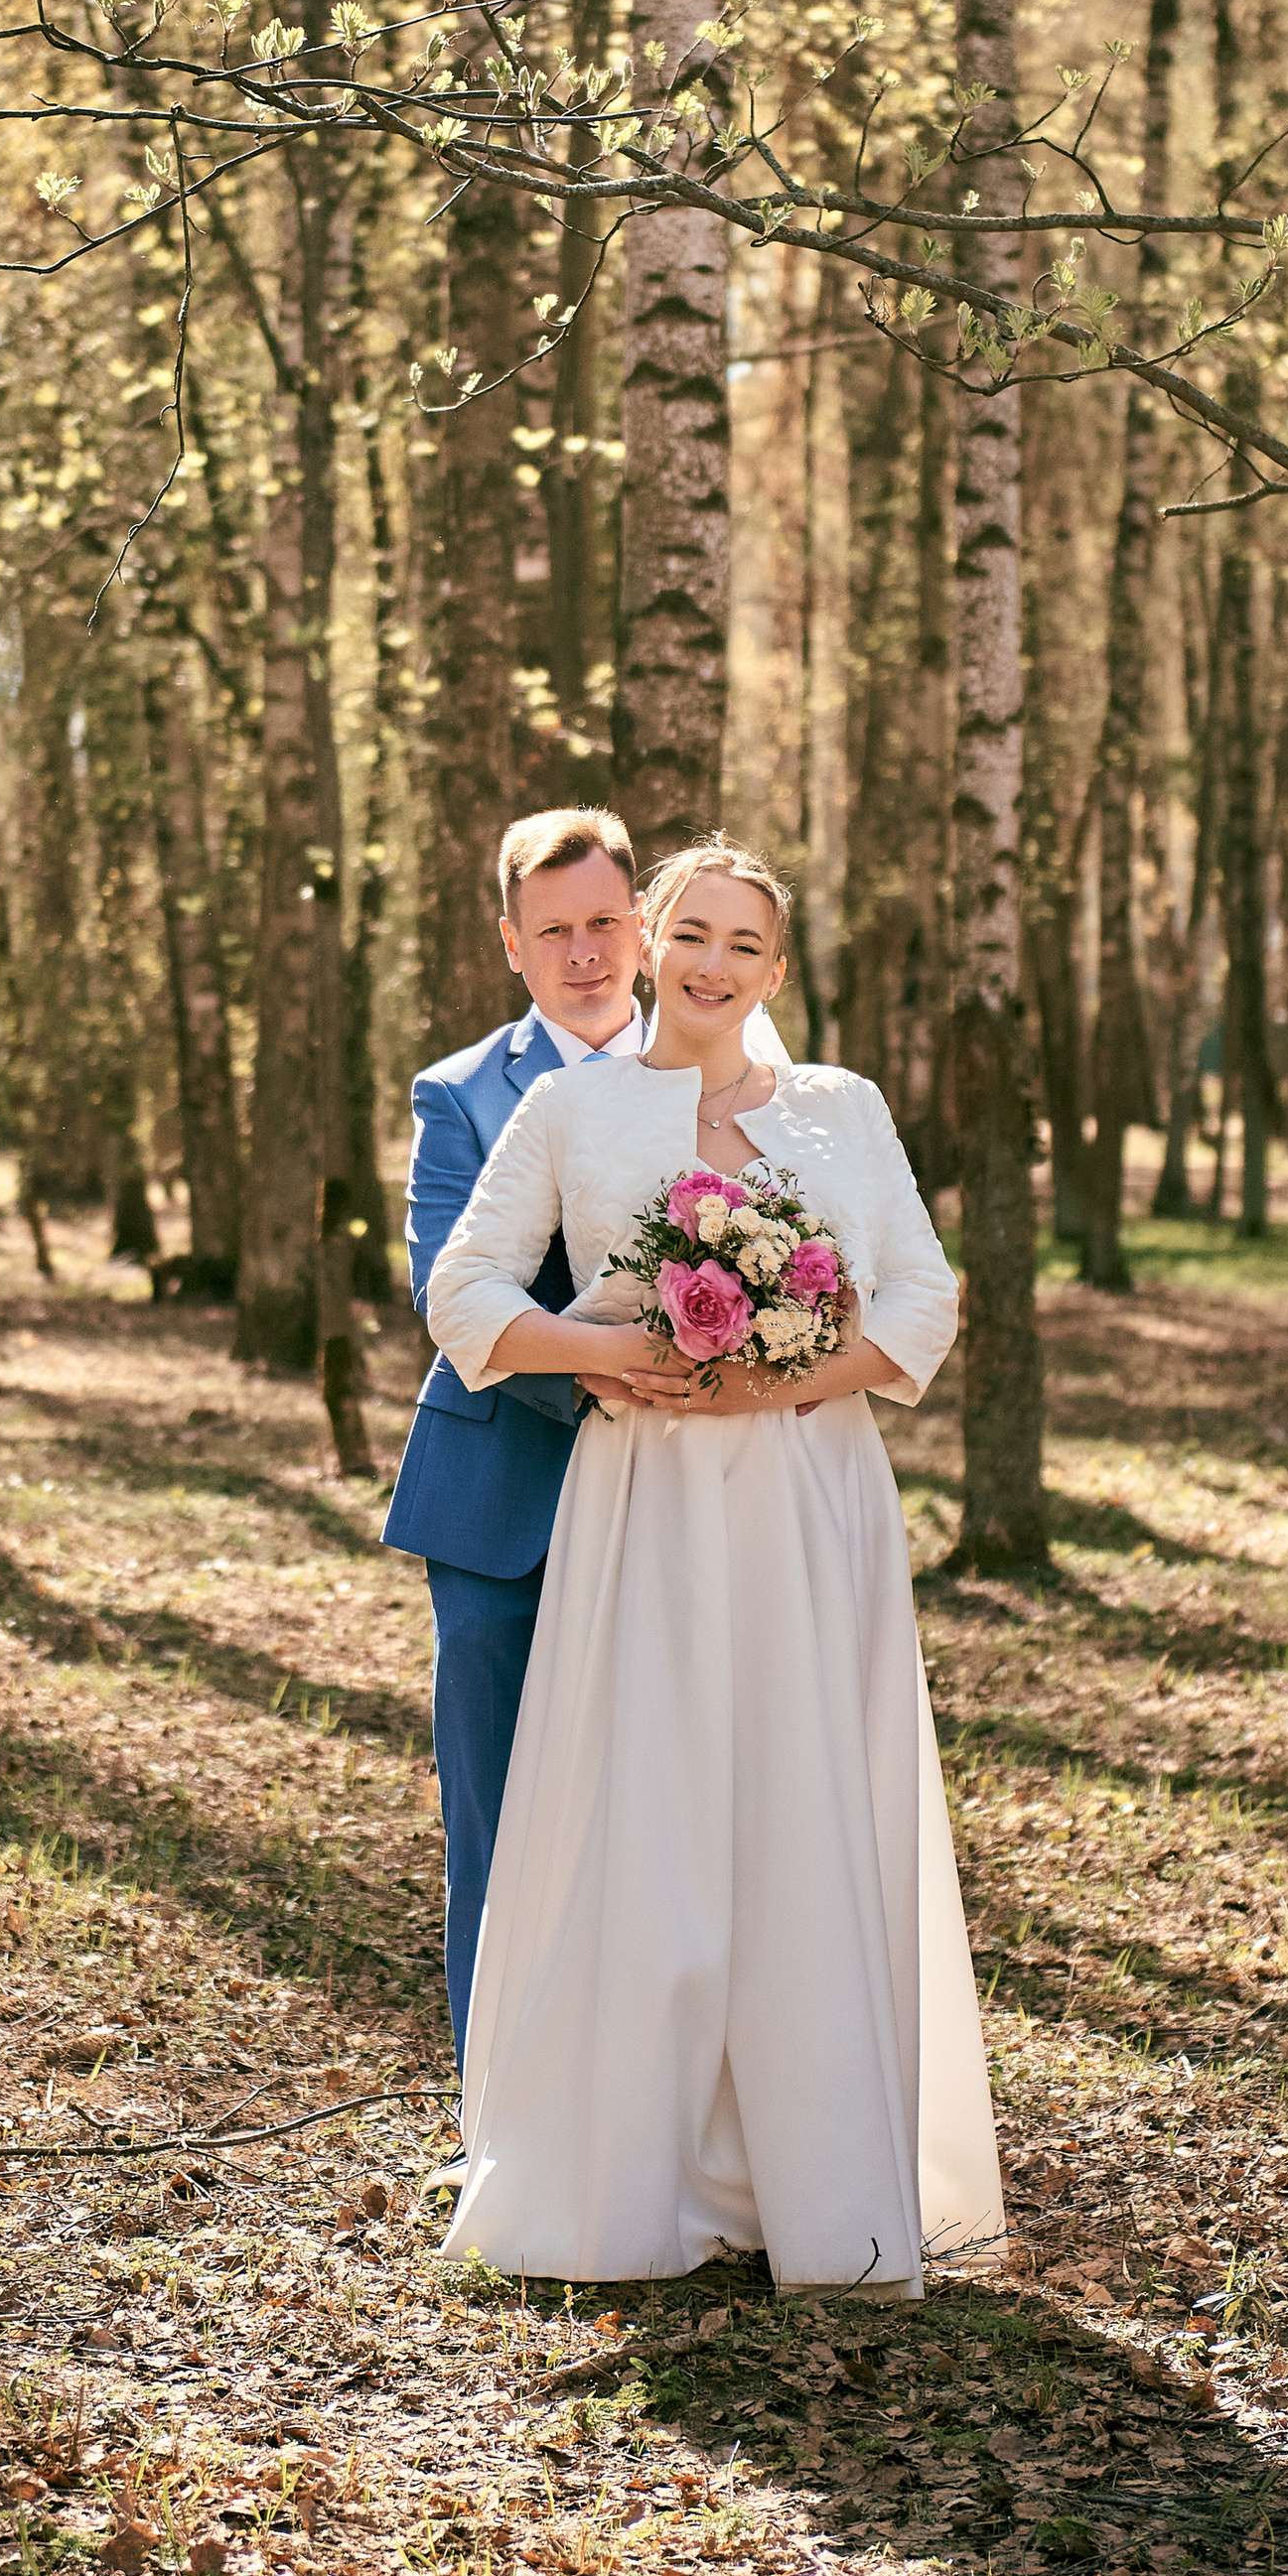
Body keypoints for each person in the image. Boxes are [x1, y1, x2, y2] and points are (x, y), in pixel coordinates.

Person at [425, 834, 1005, 2294]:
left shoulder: (842, 1109)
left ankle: (809, 2172)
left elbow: (927, 1300)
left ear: (777, 968)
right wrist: (606, 1348)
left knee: (799, 1802)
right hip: (644, 1505)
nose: (711, 964)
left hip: (810, 1501)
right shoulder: (573, 1110)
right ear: (648, 939)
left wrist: (786, 1382)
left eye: (746, 944)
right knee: (652, 1805)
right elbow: (464, 1290)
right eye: (691, 932)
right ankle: (636, 2170)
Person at [381, 808, 651, 2066]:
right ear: (511, 944)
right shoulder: (458, 1094)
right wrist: (616, 1376)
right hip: (500, 1492)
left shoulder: (728, 1076)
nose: (584, 952)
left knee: (664, 1805)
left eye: (604, 921)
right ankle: (499, 2109)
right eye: (555, 930)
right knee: (496, 1818)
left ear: (641, 925)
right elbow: (451, 1287)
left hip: (686, 1490)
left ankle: (654, 2113)